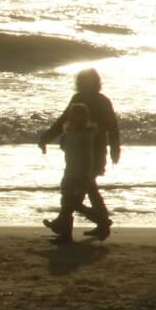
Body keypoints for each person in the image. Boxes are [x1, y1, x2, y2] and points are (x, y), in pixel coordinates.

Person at [38, 67, 119, 238]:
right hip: (83, 153)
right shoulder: (83, 99)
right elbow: (64, 121)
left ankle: (69, 225)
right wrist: (46, 138)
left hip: (93, 154)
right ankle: (94, 223)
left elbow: (112, 127)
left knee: (78, 192)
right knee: (88, 189)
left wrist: (115, 148)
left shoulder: (101, 101)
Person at [42, 102, 96, 243]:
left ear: (84, 118)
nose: (75, 118)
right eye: (73, 115)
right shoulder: (70, 131)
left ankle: (100, 220)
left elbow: (87, 157)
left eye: (79, 116)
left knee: (72, 203)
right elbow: (66, 149)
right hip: (70, 171)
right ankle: (64, 230)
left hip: (80, 173)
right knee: (68, 202)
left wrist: (85, 176)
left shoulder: (86, 134)